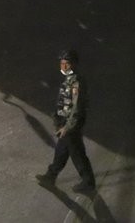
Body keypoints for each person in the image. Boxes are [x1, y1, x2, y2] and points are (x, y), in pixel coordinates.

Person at [36, 49, 96, 193]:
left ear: (74, 64)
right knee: (62, 150)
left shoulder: (76, 83)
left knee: (77, 153)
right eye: (62, 64)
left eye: (66, 64)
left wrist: (67, 127)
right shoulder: (69, 80)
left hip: (71, 124)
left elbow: (77, 108)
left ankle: (88, 182)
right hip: (66, 123)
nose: (63, 67)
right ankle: (51, 175)